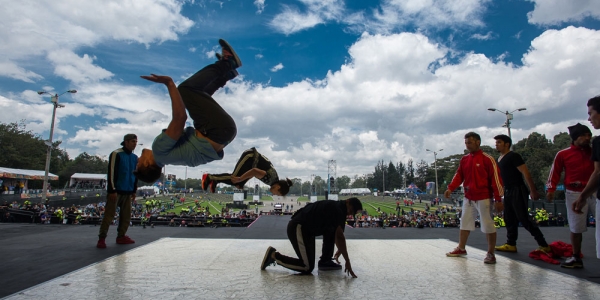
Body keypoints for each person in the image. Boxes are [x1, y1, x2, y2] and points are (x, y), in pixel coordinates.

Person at [135, 39, 242, 183]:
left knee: (193, 99)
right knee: (185, 90)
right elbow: (180, 118)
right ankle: (228, 63)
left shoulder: (171, 158)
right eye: (138, 163)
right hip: (216, 129)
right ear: (147, 164)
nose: (138, 159)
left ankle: (226, 75)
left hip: (223, 134)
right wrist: (169, 83)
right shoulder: (159, 150)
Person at [260, 198, 363, 278]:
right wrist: (347, 261)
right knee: (307, 267)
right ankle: (273, 256)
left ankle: (325, 261)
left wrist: (341, 249)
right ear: (347, 202)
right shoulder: (339, 210)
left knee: (330, 230)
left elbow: (336, 234)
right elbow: (340, 237)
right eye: (351, 210)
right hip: (298, 227)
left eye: (352, 213)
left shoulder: (337, 207)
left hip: (306, 230)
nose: (350, 213)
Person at [444, 132, 504, 264]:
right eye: (466, 143)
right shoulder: (465, 159)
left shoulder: (487, 159)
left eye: (469, 142)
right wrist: (450, 188)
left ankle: (490, 253)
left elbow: (496, 180)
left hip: (484, 197)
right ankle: (461, 248)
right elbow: (459, 175)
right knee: (464, 223)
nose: (467, 145)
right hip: (468, 197)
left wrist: (498, 199)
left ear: (478, 142)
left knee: (488, 225)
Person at [546, 122, 595, 268]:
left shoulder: (594, 151)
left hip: (594, 191)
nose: (587, 138)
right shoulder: (563, 154)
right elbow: (554, 172)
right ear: (575, 138)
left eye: (589, 135)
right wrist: (551, 189)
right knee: (575, 227)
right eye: (583, 135)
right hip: (574, 192)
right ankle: (575, 256)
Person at [493, 134, 551, 253]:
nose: (496, 144)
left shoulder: (514, 156)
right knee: (508, 218)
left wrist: (533, 190)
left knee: (523, 218)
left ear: (507, 144)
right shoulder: (498, 159)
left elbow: (525, 173)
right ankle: (511, 243)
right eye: (496, 142)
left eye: (499, 142)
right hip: (508, 190)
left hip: (517, 189)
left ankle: (543, 244)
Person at [571, 96, 600, 267]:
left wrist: (582, 197)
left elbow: (597, 173)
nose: (589, 118)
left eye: (591, 113)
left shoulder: (598, 142)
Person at [97, 134, 139, 249]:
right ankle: (102, 238)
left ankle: (121, 236)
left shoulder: (135, 158)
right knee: (109, 216)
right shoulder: (116, 154)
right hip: (116, 191)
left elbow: (135, 175)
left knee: (126, 217)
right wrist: (112, 190)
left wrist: (134, 190)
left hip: (128, 191)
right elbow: (111, 172)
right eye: (132, 141)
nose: (135, 143)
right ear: (126, 142)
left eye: (136, 141)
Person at [201, 147, 293, 196]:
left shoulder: (273, 180)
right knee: (235, 179)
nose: (274, 194)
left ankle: (215, 180)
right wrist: (241, 178)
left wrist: (242, 182)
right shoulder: (270, 179)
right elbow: (254, 171)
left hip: (252, 162)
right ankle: (209, 177)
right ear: (278, 187)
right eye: (278, 194)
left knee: (238, 183)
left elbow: (254, 174)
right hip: (250, 157)